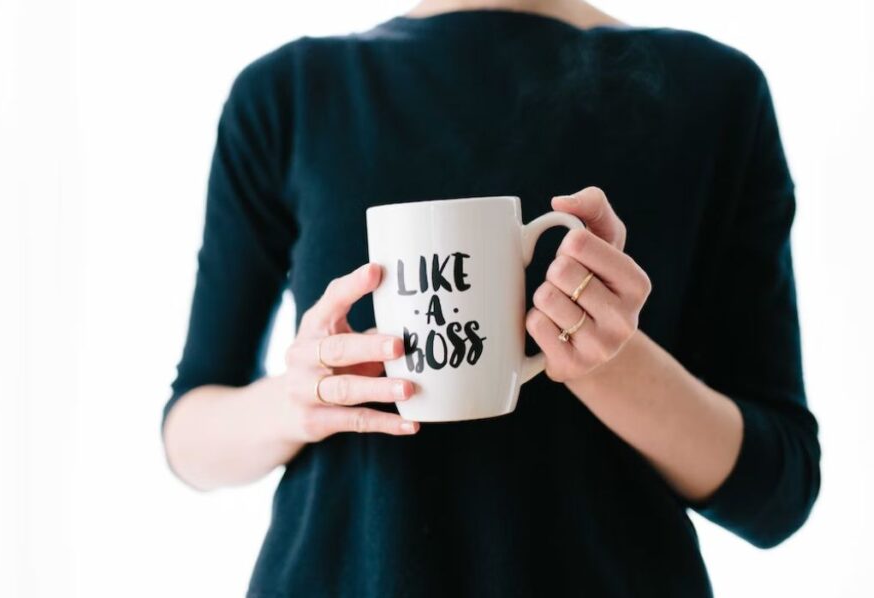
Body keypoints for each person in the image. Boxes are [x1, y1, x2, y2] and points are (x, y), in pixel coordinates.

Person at [161, 0, 821, 595]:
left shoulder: (713, 94)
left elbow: (778, 492)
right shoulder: (289, 95)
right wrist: (297, 401)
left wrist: (610, 364)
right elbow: (188, 435)